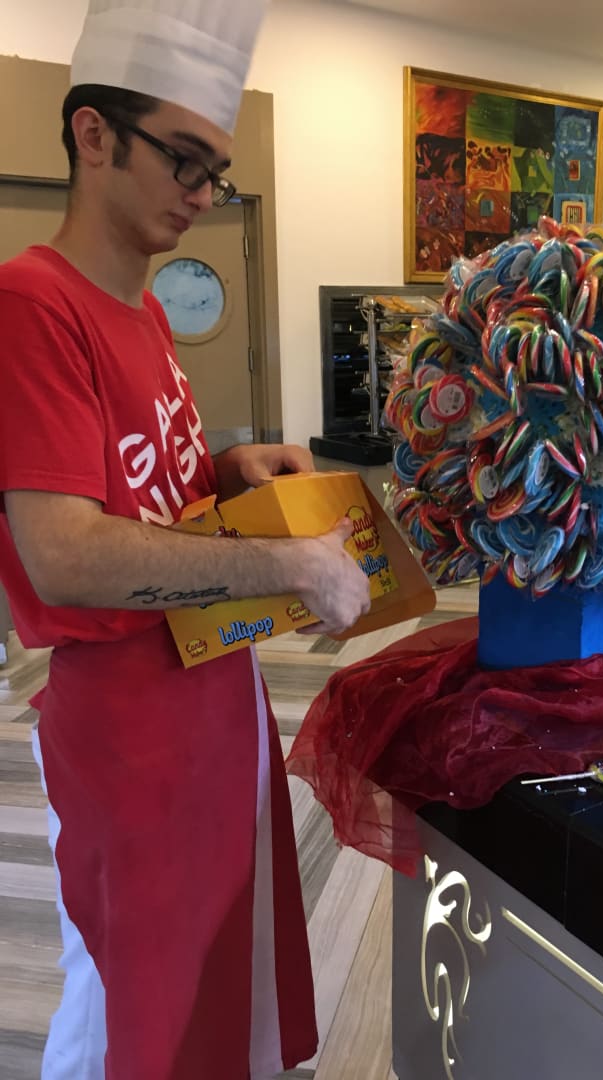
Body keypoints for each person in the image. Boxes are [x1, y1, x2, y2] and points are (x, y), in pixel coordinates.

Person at [0, 2, 371, 1077]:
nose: (204, 195)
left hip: (209, 688)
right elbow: (67, 551)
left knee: (206, 968)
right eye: (184, 160)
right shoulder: (30, 303)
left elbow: (138, 491)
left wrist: (225, 472)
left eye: (217, 173)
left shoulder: (147, 311)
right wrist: (284, 563)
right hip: (128, 724)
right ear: (93, 134)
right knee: (130, 995)